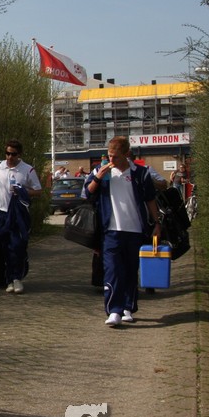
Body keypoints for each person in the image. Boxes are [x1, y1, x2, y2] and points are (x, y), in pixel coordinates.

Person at [82, 136, 163, 327]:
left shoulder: (140, 173)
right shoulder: (102, 170)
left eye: (115, 157)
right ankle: (114, 310)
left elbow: (150, 199)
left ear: (126, 154)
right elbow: (87, 193)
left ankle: (128, 307)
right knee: (112, 270)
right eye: (109, 156)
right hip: (110, 231)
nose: (111, 160)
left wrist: (157, 224)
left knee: (130, 270)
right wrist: (98, 177)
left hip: (135, 230)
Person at [0, 140, 43, 294]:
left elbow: (38, 191)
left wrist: (22, 191)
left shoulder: (27, 170)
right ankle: (9, 279)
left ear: (19, 154)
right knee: (4, 246)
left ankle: (17, 278)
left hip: (17, 214)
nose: (9, 157)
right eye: (7, 153)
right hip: (0, 212)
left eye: (13, 154)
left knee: (17, 246)